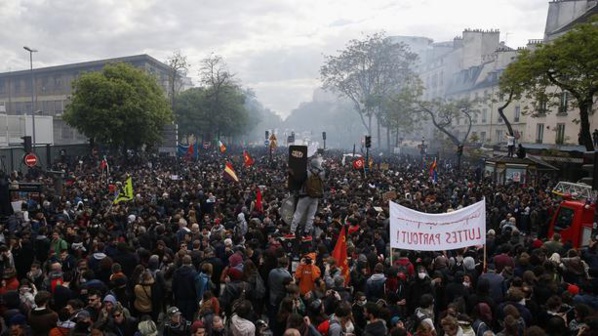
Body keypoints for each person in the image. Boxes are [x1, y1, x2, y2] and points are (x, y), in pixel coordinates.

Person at [290, 158, 325, 237]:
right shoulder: (320, 173)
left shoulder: (307, 173)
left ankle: (292, 231)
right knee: (311, 216)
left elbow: (298, 180)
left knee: (298, 214)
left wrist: (292, 174)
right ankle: (306, 233)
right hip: (316, 197)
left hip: (305, 196)